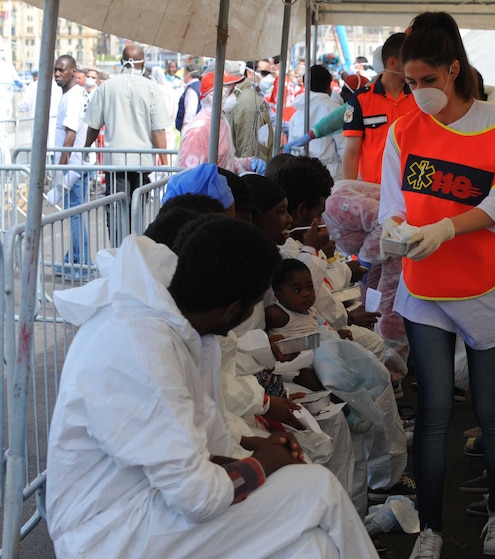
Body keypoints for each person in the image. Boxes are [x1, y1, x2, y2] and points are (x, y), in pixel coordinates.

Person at [46, 217, 378, 558]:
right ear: (234, 309)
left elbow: (186, 450)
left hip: (144, 504)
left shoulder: (166, 322)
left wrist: (261, 454)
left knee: (313, 548)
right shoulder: (144, 349)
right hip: (110, 532)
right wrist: (264, 463)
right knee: (318, 489)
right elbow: (197, 497)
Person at [378, 12, 495, 558]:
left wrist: (448, 227)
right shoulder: (405, 129)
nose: (419, 92)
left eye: (428, 80)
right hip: (424, 285)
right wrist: (396, 228)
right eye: (411, 83)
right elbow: (396, 202)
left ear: (454, 69)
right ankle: (431, 527)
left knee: (491, 409)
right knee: (432, 412)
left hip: (485, 284)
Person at [84, 44, 171, 247]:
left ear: (122, 62)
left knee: (115, 211)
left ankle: (119, 251)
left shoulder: (107, 86)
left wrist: (86, 147)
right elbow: (158, 130)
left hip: (116, 162)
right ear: (143, 63)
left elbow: (94, 124)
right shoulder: (151, 88)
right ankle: (135, 251)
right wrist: (166, 164)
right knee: (137, 211)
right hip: (142, 161)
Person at [342, 32, 418, 183]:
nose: (415, 66)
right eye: (410, 60)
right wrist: (348, 189)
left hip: (411, 188)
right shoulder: (361, 99)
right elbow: (352, 151)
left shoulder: (419, 98)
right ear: (392, 63)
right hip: (375, 190)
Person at [178, 71, 266, 175]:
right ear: (214, 96)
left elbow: (227, 164)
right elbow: (190, 177)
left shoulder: (221, 122)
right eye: (231, 91)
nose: (234, 95)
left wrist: (248, 163)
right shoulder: (199, 130)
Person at [50, 55, 91, 278]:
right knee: (75, 214)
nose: (57, 74)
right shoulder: (72, 94)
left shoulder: (74, 97)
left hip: (74, 166)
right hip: (77, 164)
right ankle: (73, 259)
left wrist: (61, 168)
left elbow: (70, 135)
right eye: (55, 70)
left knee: (75, 215)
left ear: (73, 71)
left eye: (61, 70)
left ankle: (82, 264)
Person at [288, 65, 345, 180]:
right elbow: (344, 148)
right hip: (330, 176)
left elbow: (292, 149)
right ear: (329, 86)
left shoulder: (297, 113)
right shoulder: (335, 111)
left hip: (300, 175)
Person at [227, 60, 274, 161]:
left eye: (268, 74)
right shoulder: (243, 97)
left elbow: (250, 153)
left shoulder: (248, 103)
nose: (269, 78)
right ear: (249, 73)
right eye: (265, 73)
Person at [176, 63, 202, 132]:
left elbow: (190, 113)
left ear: (188, 74)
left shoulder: (191, 89)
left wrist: (185, 130)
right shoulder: (200, 86)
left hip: (191, 128)